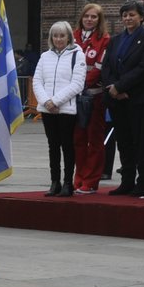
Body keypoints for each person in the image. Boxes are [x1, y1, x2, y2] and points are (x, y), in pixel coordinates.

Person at [101, 1, 144, 196]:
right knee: (123, 143)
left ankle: (143, 183)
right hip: (116, 100)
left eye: (131, 15)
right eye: (124, 15)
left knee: (139, 143)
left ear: (141, 17)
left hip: (136, 99)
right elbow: (106, 66)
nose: (127, 18)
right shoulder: (115, 40)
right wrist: (112, 87)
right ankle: (127, 181)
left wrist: (121, 86)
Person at [31, 21, 85, 197]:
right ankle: (55, 182)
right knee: (52, 145)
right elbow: (37, 81)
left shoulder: (78, 55)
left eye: (62, 35)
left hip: (66, 110)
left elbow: (77, 84)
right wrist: (46, 101)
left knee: (67, 146)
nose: (58, 39)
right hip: (48, 110)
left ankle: (68, 183)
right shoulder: (45, 56)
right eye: (55, 35)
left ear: (69, 36)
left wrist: (55, 101)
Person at [70, 3, 109, 194]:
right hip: (73, 98)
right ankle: (79, 177)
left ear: (99, 20)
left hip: (94, 98)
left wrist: (79, 84)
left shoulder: (105, 40)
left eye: (94, 17)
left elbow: (98, 69)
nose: (89, 20)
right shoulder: (73, 37)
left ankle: (91, 180)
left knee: (94, 140)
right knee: (77, 139)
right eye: (86, 16)